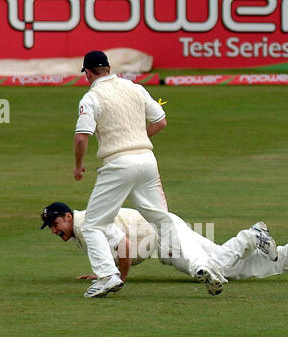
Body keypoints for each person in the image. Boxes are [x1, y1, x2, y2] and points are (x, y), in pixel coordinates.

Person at [72, 50, 227, 298]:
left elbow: (81, 138)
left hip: (118, 164)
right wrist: (138, 139)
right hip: (147, 161)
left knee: (92, 224)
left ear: (88, 73)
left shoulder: (91, 97)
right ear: (109, 69)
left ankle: (107, 276)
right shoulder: (135, 88)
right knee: (164, 221)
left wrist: (78, 165)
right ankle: (202, 265)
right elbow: (161, 121)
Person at [41, 202, 288, 292]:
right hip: (164, 235)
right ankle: (287, 256)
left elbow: (124, 245)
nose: (54, 230)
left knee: (215, 268)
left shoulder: (86, 225)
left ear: (67, 217)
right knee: (228, 268)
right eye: (50, 228)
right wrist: (104, 272)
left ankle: (251, 235)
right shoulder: (82, 227)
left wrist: (117, 278)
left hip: (164, 235)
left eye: (54, 224)